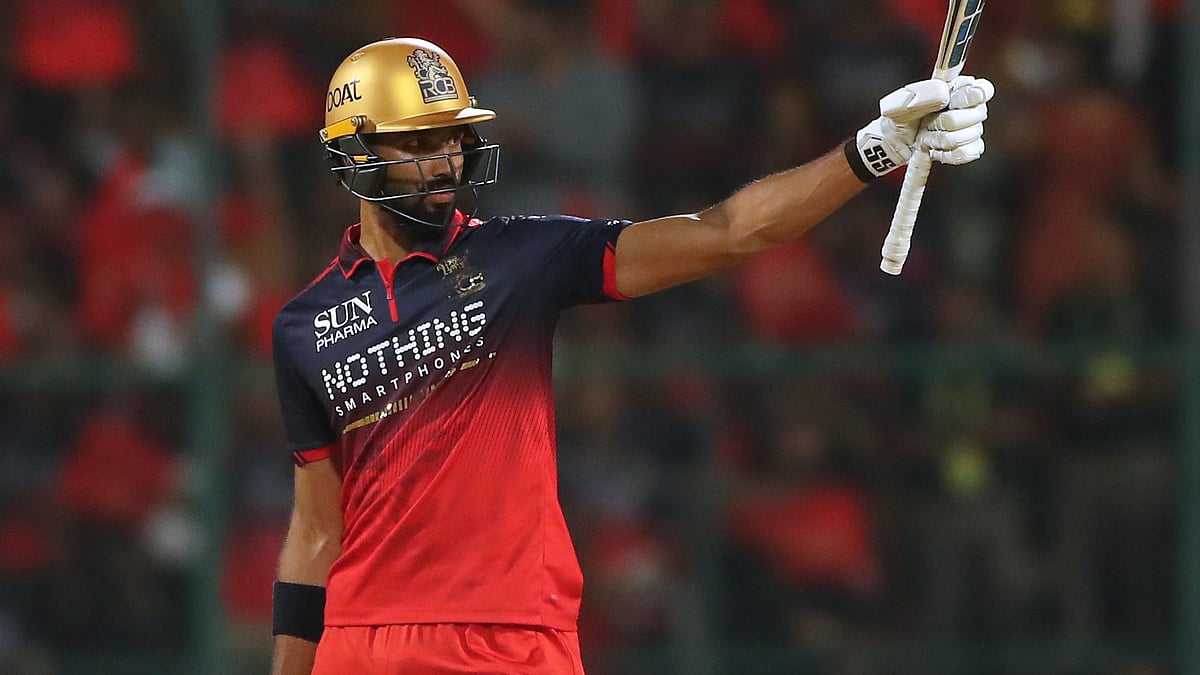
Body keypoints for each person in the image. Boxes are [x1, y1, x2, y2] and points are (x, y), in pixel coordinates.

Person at [269, 36, 992, 674]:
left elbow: (730, 230)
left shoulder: (521, 256)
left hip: (509, 638)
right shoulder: (303, 327)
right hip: (357, 642)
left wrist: (872, 151)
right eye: (417, 143)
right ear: (355, 152)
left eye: (450, 138)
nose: (445, 161)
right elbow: (315, 529)